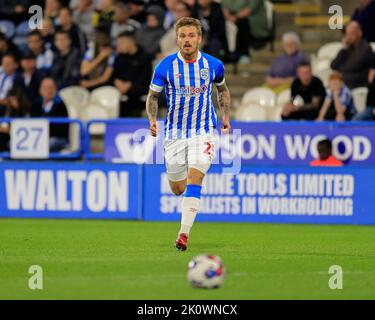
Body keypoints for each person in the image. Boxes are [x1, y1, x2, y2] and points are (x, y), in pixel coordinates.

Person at [146, 17, 231, 251]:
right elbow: (152, 97)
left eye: (191, 35)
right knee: (178, 188)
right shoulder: (165, 66)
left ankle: (183, 234)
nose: (187, 40)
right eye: (182, 36)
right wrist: (152, 120)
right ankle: (187, 204)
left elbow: (223, 91)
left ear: (199, 38)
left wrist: (225, 117)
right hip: (174, 134)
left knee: (196, 178)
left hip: (203, 132)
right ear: (177, 39)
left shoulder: (213, 65)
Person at [112, 31, 153, 117]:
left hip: (139, 87)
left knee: (134, 92)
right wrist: (116, 82)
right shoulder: (119, 57)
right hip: (120, 86)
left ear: (131, 42)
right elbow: (114, 74)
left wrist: (130, 84)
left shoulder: (144, 56)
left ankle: (131, 122)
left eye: (121, 43)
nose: (118, 46)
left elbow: (145, 77)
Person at [31, 78, 70, 152]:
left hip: (56, 138)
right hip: (37, 138)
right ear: (40, 90)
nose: (48, 91)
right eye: (45, 88)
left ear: (55, 90)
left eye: (51, 88)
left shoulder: (60, 105)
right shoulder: (35, 105)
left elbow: (62, 129)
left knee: (50, 143)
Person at [330, 21, 373, 89]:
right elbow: (333, 65)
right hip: (344, 83)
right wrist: (343, 49)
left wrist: (340, 70)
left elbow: (354, 66)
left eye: (351, 33)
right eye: (347, 34)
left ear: (359, 33)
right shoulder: (347, 48)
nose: (348, 37)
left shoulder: (366, 48)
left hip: (358, 84)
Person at [0, 85, 31, 152]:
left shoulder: (24, 111)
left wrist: (10, 129)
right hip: (4, 135)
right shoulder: (6, 109)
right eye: (10, 100)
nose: (12, 102)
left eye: (14, 99)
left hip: (18, 137)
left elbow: (26, 127)